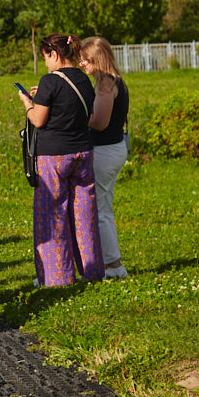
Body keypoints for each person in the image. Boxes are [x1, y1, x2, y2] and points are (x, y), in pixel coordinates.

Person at [16, 33, 102, 287]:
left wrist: (27, 103)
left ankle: (58, 278)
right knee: (84, 215)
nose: (45, 64)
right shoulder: (84, 80)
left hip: (53, 157)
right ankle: (92, 271)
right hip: (83, 153)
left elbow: (38, 120)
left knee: (52, 216)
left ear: (54, 54)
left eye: (45, 58)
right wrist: (42, 96)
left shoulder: (49, 82)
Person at [79, 36, 130, 280]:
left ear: (96, 59)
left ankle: (113, 265)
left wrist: (74, 114)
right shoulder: (114, 80)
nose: (81, 64)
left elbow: (99, 123)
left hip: (104, 151)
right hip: (113, 148)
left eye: (85, 59)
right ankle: (112, 264)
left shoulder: (105, 84)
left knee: (99, 211)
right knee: (104, 209)